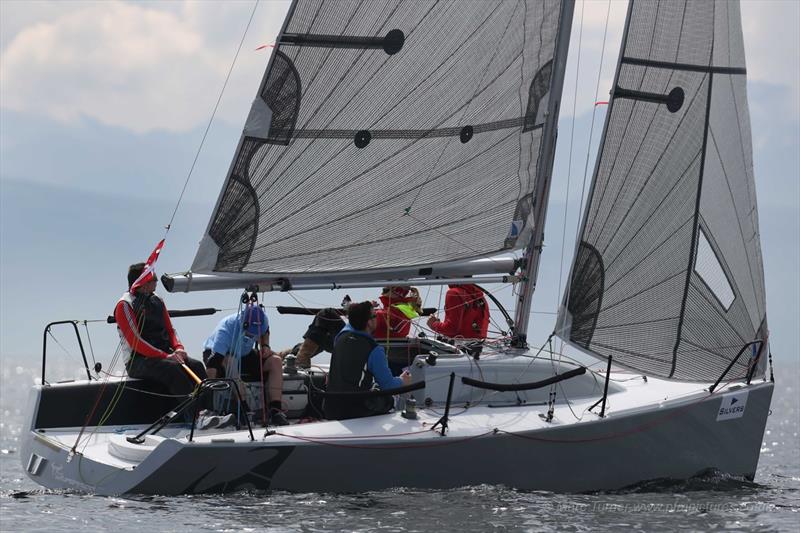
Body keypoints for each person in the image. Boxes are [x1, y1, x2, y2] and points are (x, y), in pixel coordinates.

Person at [114, 263, 225, 427]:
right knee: (173, 370)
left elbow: (170, 330)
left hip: (165, 355)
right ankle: (195, 418)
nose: (156, 282)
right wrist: (166, 356)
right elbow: (136, 342)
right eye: (153, 279)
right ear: (141, 282)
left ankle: (209, 413)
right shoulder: (124, 305)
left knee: (196, 366)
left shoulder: (157, 300)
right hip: (138, 361)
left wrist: (179, 349)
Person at [324, 301, 412, 420]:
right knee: (389, 399)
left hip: (331, 408)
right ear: (369, 322)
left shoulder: (340, 337)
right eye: (375, 315)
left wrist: (361, 308)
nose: (378, 317)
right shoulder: (374, 350)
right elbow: (389, 386)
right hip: (355, 412)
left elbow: (350, 324)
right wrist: (402, 380)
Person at [202, 305, 288, 426]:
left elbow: (265, 331)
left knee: (276, 361)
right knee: (231, 361)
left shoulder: (262, 319)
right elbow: (213, 362)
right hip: (220, 356)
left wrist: (265, 346)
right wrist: (209, 393)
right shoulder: (226, 329)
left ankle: (275, 411)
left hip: (244, 354)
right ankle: (243, 409)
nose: (252, 335)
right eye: (250, 332)